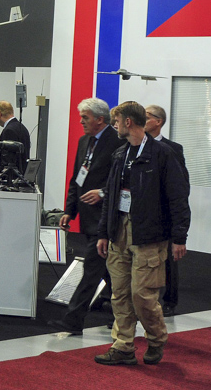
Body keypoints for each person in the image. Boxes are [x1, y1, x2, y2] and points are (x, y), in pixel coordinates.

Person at [95, 101, 190, 366]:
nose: (114, 126)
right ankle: (123, 346)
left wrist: (179, 237)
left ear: (128, 122)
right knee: (120, 293)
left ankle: (156, 338)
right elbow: (111, 196)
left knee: (142, 295)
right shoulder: (119, 155)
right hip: (119, 231)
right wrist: (104, 232)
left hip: (149, 234)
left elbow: (178, 197)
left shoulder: (163, 154)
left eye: (117, 121)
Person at [48, 98, 124, 334]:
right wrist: (69, 211)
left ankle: (73, 320)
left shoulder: (117, 142)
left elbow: (123, 180)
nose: (81, 121)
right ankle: (123, 317)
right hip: (87, 217)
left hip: (106, 219)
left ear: (100, 119)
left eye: (85, 117)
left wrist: (102, 192)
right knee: (109, 271)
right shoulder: (84, 141)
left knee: (92, 269)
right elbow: (76, 178)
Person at [145, 104, 188, 317]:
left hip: (165, 212)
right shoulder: (136, 146)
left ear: (158, 121)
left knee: (169, 259)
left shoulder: (173, 148)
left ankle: (170, 301)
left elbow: (181, 185)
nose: (142, 121)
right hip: (144, 212)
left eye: (146, 117)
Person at [0, 100, 30, 174]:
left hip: (11, 177)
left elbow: (8, 158)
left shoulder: (9, 130)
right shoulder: (22, 128)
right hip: (21, 174)